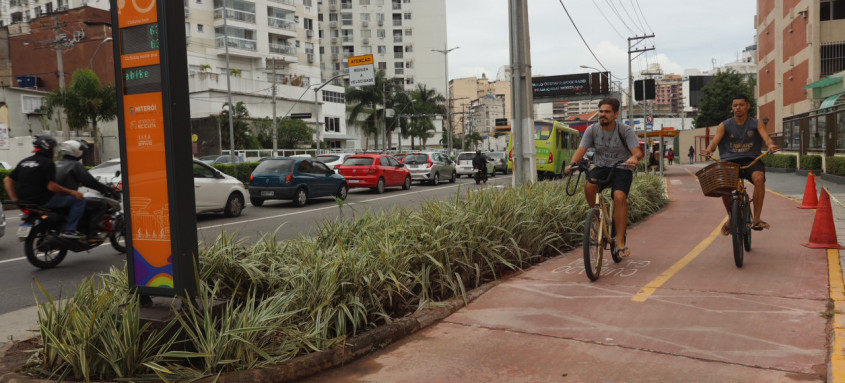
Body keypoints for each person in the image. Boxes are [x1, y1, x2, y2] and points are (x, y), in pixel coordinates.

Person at [565, 97, 644, 258]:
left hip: (621, 168)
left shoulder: (625, 130)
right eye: (601, 111)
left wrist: (634, 158)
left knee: (619, 196)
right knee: (589, 185)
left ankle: (620, 241)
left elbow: (637, 152)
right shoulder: (592, 130)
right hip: (601, 166)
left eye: (607, 112)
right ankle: (596, 217)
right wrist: (573, 164)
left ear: (616, 114)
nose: (603, 115)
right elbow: (581, 150)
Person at [701, 94, 779, 235]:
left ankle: (756, 219)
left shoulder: (756, 123)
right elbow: (714, 143)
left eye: (741, 105)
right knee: (724, 185)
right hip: (729, 161)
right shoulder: (724, 125)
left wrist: (771, 145)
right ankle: (732, 217)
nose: (738, 108)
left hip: (751, 160)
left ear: (748, 106)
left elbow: (767, 139)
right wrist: (708, 150)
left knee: (759, 179)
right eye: (735, 105)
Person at [3, 135, 87, 238]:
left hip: (24, 201)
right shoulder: (48, 163)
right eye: (54, 148)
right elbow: (52, 187)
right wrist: (73, 192)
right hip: (42, 201)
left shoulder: (24, 161)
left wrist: (15, 199)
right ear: (48, 148)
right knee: (79, 199)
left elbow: (7, 180)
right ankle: (70, 230)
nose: (55, 151)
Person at [56, 140, 120, 240]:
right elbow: (90, 182)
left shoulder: (56, 164)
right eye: (80, 150)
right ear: (75, 151)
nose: (81, 152)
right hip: (68, 199)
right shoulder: (75, 165)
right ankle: (92, 234)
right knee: (100, 204)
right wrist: (107, 190)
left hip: (56, 200)